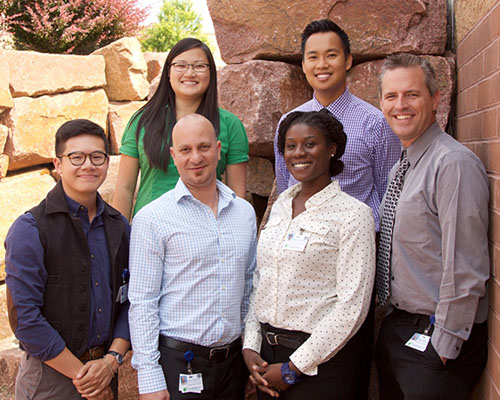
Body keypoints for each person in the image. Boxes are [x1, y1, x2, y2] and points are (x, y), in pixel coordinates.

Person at [374, 53, 490, 400]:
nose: (400, 105)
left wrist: (444, 346)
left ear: (435, 99)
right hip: (400, 329)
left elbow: (466, 265)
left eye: (412, 94)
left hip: (437, 343)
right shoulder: (402, 167)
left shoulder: (452, 164)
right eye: (391, 96)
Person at [244, 109, 376, 399]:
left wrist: (294, 367)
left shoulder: (354, 215)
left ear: (332, 149)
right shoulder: (280, 207)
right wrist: (251, 345)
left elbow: (352, 307)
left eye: (310, 144)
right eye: (290, 146)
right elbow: (261, 279)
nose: (298, 153)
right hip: (268, 360)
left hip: (320, 365)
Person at [128, 114, 257, 400]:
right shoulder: (152, 218)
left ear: (219, 149)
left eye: (204, 147)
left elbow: (249, 288)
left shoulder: (244, 213)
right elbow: (142, 301)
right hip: (178, 364)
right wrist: (149, 376)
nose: (195, 157)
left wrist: (249, 356)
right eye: (185, 150)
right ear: (174, 155)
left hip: (233, 364)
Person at [5, 119, 131, 399]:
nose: (88, 165)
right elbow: (25, 319)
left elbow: (131, 299)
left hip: (105, 370)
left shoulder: (119, 226)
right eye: (76, 157)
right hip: (51, 378)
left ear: (107, 163)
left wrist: (110, 362)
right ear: (58, 164)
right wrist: (85, 378)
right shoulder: (31, 229)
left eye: (97, 157)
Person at [274, 19, 400, 232]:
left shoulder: (375, 123)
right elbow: (285, 186)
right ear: (303, 65)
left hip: (355, 241)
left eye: (331, 55)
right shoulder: (289, 123)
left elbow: (388, 194)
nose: (322, 64)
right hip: (299, 243)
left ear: (348, 60)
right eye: (313, 57)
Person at [113, 37, 249, 221]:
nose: (190, 73)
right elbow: (125, 188)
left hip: (205, 232)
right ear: (168, 72)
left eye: (199, 66)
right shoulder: (142, 121)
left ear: (211, 73)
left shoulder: (230, 125)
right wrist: (120, 239)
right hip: (150, 230)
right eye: (181, 65)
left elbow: (236, 195)